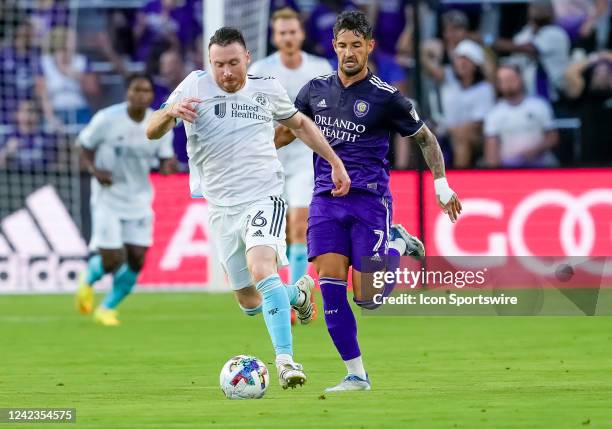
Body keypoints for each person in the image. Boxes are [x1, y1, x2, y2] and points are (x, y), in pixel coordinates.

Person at [145, 27, 351, 389]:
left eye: (233, 63)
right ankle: (297, 294)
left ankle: (285, 360)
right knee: (249, 301)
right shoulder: (193, 86)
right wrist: (170, 112)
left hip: (264, 195)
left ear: (247, 59)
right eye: (218, 65)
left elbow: (300, 124)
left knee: (262, 268)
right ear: (209, 62)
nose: (226, 72)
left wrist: (334, 161)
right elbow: (151, 130)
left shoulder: (266, 88)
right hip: (221, 207)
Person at [275, 11, 461, 392]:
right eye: (342, 45)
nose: (348, 53)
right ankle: (356, 374)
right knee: (329, 286)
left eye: (356, 45)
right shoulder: (315, 90)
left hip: (370, 202)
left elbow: (424, 138)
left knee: (368, 298)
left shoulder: (386, 97)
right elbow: (287, 131)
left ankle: (395, 240)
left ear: (369, 46)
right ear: (334, 46)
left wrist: (441, 183)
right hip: (326, 200)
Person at [249, 7, 333, 324]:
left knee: (300, 225)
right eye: (281, 32)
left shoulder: (319, 67)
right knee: (276, 234)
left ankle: (299, 296)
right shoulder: (259, 69)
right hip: (270, 157)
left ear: (301, 34)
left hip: (304, 156)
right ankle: (286, 292)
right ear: (274, 36)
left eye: (292, 31)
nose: (287, 37)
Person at [75, 73, 176, 327]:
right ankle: (88, 279)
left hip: (140, 198)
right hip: (108, 196)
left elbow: (165, 158)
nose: (142, 96)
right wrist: (95, 171)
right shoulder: (107, 120)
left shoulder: (159, 122)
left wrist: (168, 166)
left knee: (137, 258)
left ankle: (107, 308)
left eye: (147, 91)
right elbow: (83, 145)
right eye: (136, 90)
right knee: (112, 259)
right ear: (127, 93)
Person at [484, 64, 559, 167]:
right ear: (498, 85)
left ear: (520, 78)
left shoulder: (540, 105)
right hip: (509, 169)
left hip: (542, 166)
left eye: (511, 78)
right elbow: (491, 150)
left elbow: (553, 138)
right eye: (503, 80)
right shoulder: (494, 113)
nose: (508, 83)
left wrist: (536, 150)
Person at [441, 40, 495, 168]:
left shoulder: (485, 89)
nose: (462, 63)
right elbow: (424, 58)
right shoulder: (448, 82)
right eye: (459, 59)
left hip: (476, 139)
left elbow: (477, 124)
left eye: (467, 60)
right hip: (447, 135)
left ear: (475, 65)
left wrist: (448, 130)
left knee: (462, 139)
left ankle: (457, 182)